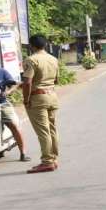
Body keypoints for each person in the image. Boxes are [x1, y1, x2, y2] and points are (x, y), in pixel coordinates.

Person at [22, 35, 61, 174]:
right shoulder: (53, 59)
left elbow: (27, 82)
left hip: (38, 98)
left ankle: (47, 161)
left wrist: (26, 99)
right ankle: (53, 158)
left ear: (32, 45)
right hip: (52, 96)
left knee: (43, 132)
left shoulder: (31, 60)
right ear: (45, 45)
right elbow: (56, 80)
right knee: (52, 129)